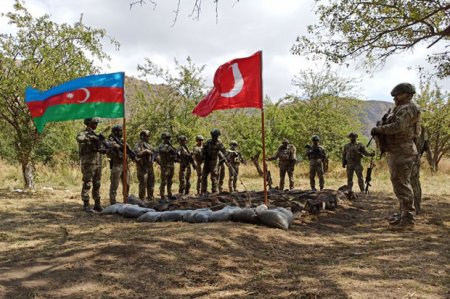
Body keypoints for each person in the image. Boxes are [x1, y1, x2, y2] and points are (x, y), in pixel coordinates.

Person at [371, 82, 421, 227]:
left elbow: (399, 126)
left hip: (403, 151)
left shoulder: (409, 108)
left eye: (398, 94)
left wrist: (379, 130)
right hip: (396, 150)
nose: (395, 97)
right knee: (398, 183)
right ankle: (404, 214)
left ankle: (408, 219)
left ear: (408, 94)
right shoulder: (399, 108)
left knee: (402, 184)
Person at [76, 118, 105, 212]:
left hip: (98, 163)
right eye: (94, 123)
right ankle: (86, 205)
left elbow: (102, 148)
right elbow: (79, 138)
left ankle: (97, 204)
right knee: (87, 183)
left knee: (97, 183)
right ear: (88, 123)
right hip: (88, 162)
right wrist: (90, 138)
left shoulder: (96, 134)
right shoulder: (84, 133)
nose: (96, 124)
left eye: (96, 123)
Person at [410, 125, 432, 214]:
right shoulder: (422, 129)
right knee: (415, 184)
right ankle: (416, 207)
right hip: (416, 159)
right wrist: (431, 163)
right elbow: (427, 147)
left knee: (408, 184)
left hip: (408, 159)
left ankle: (409, 209)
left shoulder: (408, 126)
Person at [107, 125, 130, 204]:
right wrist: (115, 146)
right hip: (116, 164)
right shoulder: (111, 140)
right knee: (114, 184)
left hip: (125, 164)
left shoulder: (123, 141)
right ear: (116, 132)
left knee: (127, 183)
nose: (122, 132)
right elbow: (108, 148)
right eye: (120, 131)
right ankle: (113, 201)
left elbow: (128, 151)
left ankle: (126, 200)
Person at [201, 128, 227, 194]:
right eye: (215, 136)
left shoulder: (219, 143)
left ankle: (214, 191)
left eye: (217, 136)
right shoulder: (208, 142)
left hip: (214, 162)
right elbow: (203, 151)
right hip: (207, 162)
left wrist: (225, 158)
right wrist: (204, 157)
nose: (216, 137)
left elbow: (224, 151)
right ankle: (203, 191)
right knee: (204, 176)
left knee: (214, 177)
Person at [134, 130, 156, 202]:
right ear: (142, 136)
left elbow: (154, 154)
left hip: (150, 167)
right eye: (147, 136)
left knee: (151, 184)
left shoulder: (149, 145)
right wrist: (145, 151)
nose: (148, 138)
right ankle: (142, 200)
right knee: (143, 185)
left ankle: (150, 199)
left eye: (148, 136)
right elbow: (137, 154)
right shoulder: (138, 145)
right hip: (142, 168)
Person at [157, 132, 178, 200]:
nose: (168, 139)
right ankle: (162, 196)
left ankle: (169, 194)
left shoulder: (170, 146)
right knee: (164, 181)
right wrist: (169, 147)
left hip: (171, 165)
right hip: (165, 166)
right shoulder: (161, 145)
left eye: (169, 138)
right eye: (167, 138)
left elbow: (175, 154)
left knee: (170, 181)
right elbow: (163, 151)